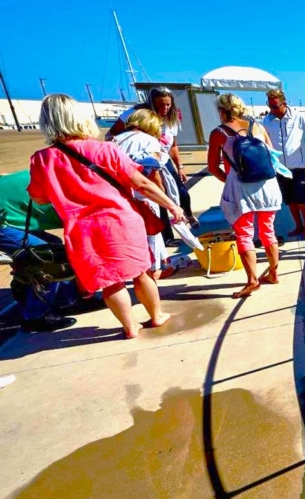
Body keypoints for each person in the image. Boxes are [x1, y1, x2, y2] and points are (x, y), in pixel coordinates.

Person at [28, 94, 184, 338]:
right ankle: (157, 315)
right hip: (120, 220)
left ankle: (130, 327)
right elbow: (141, 183)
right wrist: (172, 206)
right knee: (140, 272)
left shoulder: (42, 159)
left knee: (110, 279)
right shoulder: (105, 149)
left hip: (81, 228)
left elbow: (39, 197)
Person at [207, 93, 282, 299]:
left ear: (221, 111)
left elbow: (212, 167)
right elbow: (272, 156)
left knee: (244, 234)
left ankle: (252, 281)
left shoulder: (219, 132)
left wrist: (229, 180)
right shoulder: (258, 126)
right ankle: (273, 274)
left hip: (241, 188)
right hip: (267, 185)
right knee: (268, 231)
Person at [0, 169, 81, 332]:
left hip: (13, 211)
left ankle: (66, 301)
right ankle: (35, 316)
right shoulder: (83, 196)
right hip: (4, 219)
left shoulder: (76, 178)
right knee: (46, 258)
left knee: (54, 247)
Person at [107, 87, 198, 229]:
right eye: (160, 105)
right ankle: (165, 231)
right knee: (156, 194)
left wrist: (179, 167)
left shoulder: (171, 118)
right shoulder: (135, 114)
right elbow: (111, 134)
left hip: (163, 158)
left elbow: (173, 145)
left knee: (180, 190)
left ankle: (187, 214)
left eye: (168, 104)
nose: (164, 108)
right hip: (143, 159)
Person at [113, 109, 178, 281]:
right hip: (144, 194)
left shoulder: (115, 141)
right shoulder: (149, 141)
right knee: (152, 230)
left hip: (121, 195)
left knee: (138, 233)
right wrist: (163, 196)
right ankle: (154, 269)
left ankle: (163, 261)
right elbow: (153, 173)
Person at [262, 89, 305, 239]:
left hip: (299, 167)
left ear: (284, 103)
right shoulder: (267, 121)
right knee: (290, 200)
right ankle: (298, 226)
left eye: (275, 106)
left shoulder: (298, 117)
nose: (272, 110)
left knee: (303, 200)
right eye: (270, 106)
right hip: (280, 168)